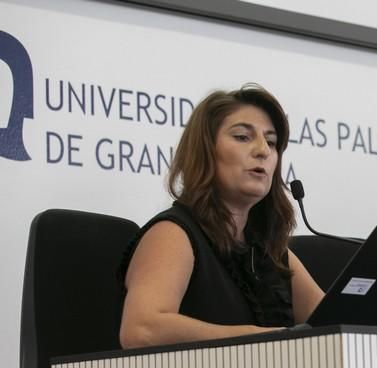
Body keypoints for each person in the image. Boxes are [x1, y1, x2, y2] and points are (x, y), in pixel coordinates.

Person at [119, 84, 324, 348]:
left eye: (271, 142)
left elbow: (334, 322)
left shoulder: (269, 250)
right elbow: (142, 330)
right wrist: (262, 338)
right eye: (242, 137)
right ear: (205, 151)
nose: (263, 150)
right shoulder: (173, 233)